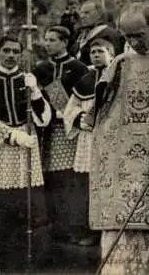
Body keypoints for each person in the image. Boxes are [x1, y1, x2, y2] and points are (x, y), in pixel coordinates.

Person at [88, 2, 149, 274]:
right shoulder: (119, 63)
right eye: (127, 36)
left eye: (138, 35)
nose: (133, 42)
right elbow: (100, 112)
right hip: (120, 160)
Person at [0, 35, 51, 271]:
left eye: (16, 51)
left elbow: (44, 119)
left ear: (21, 55)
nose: (11, 55)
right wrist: (11, 135)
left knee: (25, 204)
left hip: (26, 146)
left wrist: (35, 93)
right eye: (7, 51)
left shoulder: (28, 80)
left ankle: (22, 262)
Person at [33, 26, 90, 244]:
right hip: (48, 132)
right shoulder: (41, 69)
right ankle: (57, 228)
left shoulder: (79, 68)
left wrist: (67, 113)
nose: (47, 43)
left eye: (52, 40)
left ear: (64, 42)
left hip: (71, 131)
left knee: (71, 181)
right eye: (46, 39)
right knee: (52, 181)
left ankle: (76, 228)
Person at [62, 38, 116, 247]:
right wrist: (79, 119)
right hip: (88, 138)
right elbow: (71, 109)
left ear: (111, 54)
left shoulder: (119, 76)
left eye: (100, 51)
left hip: (111, 137)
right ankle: (90, 231)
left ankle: (110, 228)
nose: (95, 55)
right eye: (92, 52)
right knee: (87, 184)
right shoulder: (85, 79)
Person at [71, 0, 125, 65]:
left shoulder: (109, 34)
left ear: (99, 15)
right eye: (81, 13)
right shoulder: (81, 34)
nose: (82, 16)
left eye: (87, 13)